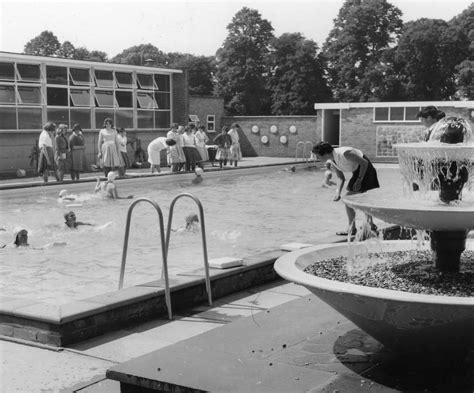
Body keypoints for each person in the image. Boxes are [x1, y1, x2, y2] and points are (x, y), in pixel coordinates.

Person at [312, 141, 380, 236]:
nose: (317, 158)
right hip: (357, 172)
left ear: (325, 153)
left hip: (366, 170)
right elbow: (341, 178)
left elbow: (364, 163)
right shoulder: (332, 160)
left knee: (348, 199)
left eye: (317, 156)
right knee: (355, 199)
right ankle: (370, 224)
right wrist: (338, 192)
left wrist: (359, 180)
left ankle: (353, 228)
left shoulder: (345, 154)